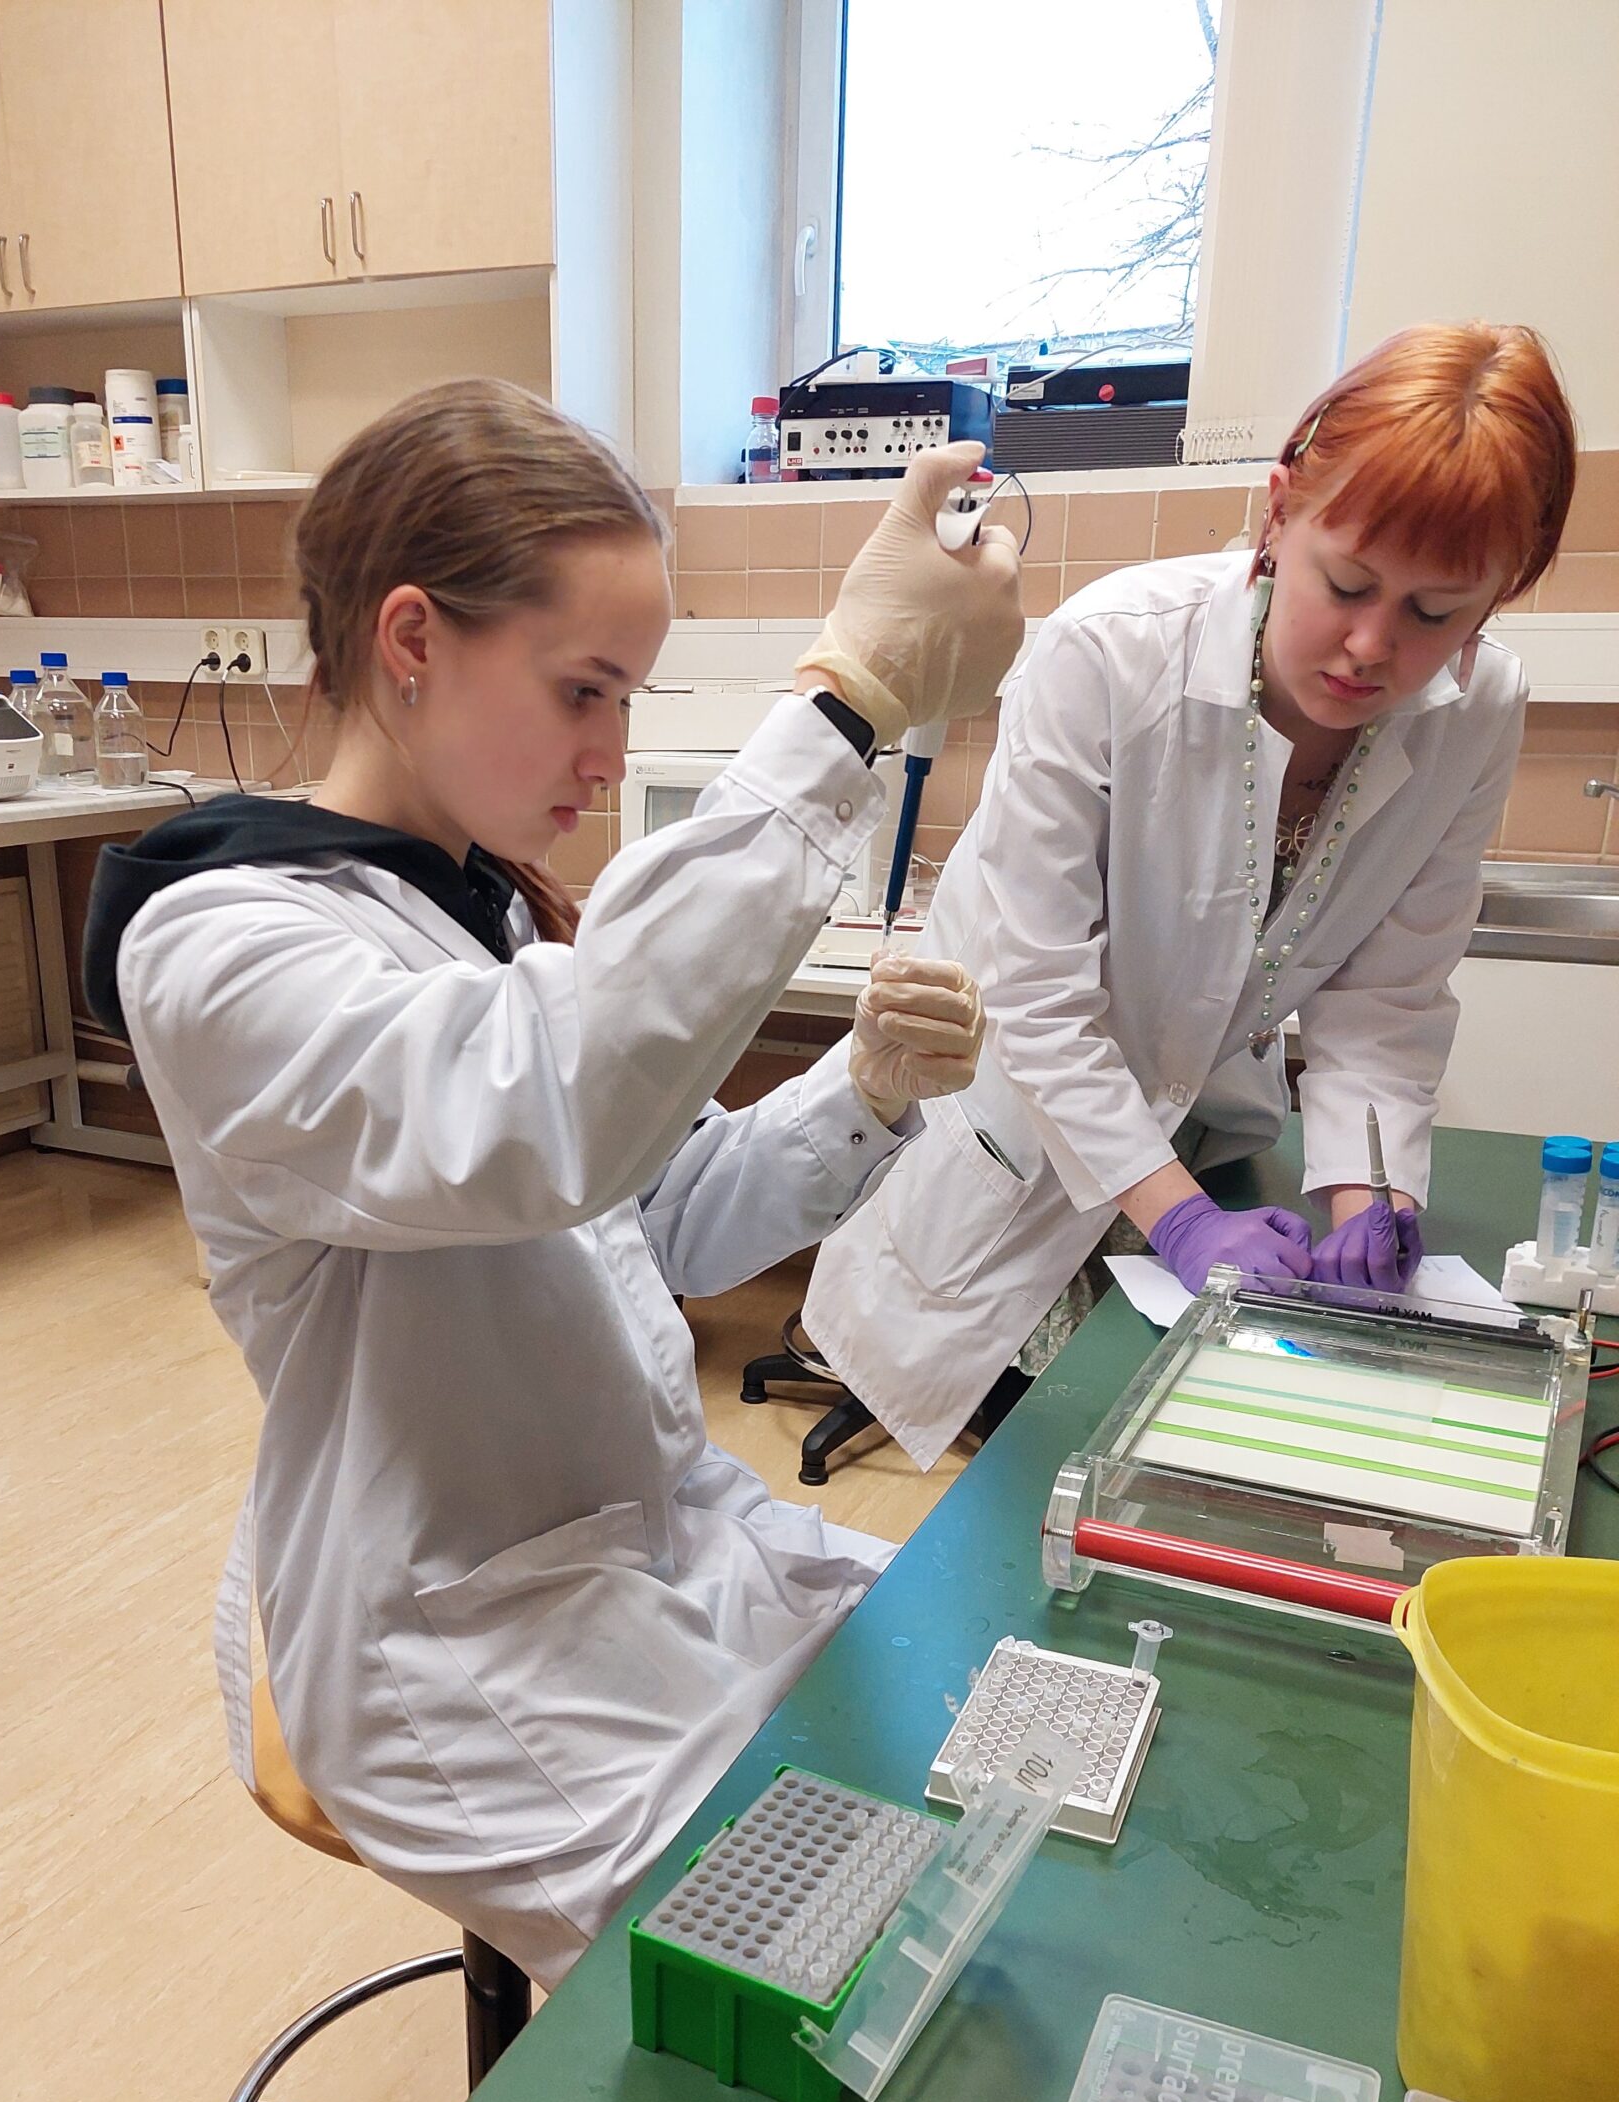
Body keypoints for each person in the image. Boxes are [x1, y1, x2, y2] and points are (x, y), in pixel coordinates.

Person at [81, 381, 1023, 1984]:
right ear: (411, 641)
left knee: (1006, 1724)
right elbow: (540, 1119)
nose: (611, 753)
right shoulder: (222, 947)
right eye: (585, 690)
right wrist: (845, 702)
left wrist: (862, 1091)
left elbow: (670, 1212)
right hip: (457, 1642)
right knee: (842, 1977)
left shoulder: (483, 914)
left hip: (649, 1548)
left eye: (626, 700)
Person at [804, 323, 1577, 1471]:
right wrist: (1178, 1218)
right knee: (1032, 1468)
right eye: (1347, 583)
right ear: (1280, 513)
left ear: (1495, 600)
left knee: (1194, 1444)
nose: (1371, 646)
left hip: (1203, 1124)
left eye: (1437, 613)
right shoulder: (1108, 654)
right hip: (1023, 1115)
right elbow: (1039, 996)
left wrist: (1370, 1194)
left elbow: (1388, 996)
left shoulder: (1478, 711)